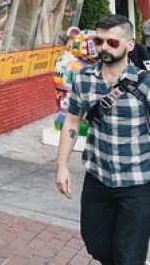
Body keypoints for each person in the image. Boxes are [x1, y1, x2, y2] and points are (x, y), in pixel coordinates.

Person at [56, 14, 150, 264]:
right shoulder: (84, 79)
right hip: (97, 179)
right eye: (98, 41)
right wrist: (62, 166)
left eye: (112, 42)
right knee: (95, 243)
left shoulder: (146, 84)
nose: (104, 47)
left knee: (129, 256)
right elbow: (73, 121)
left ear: (130, 45)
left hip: (137, 183)